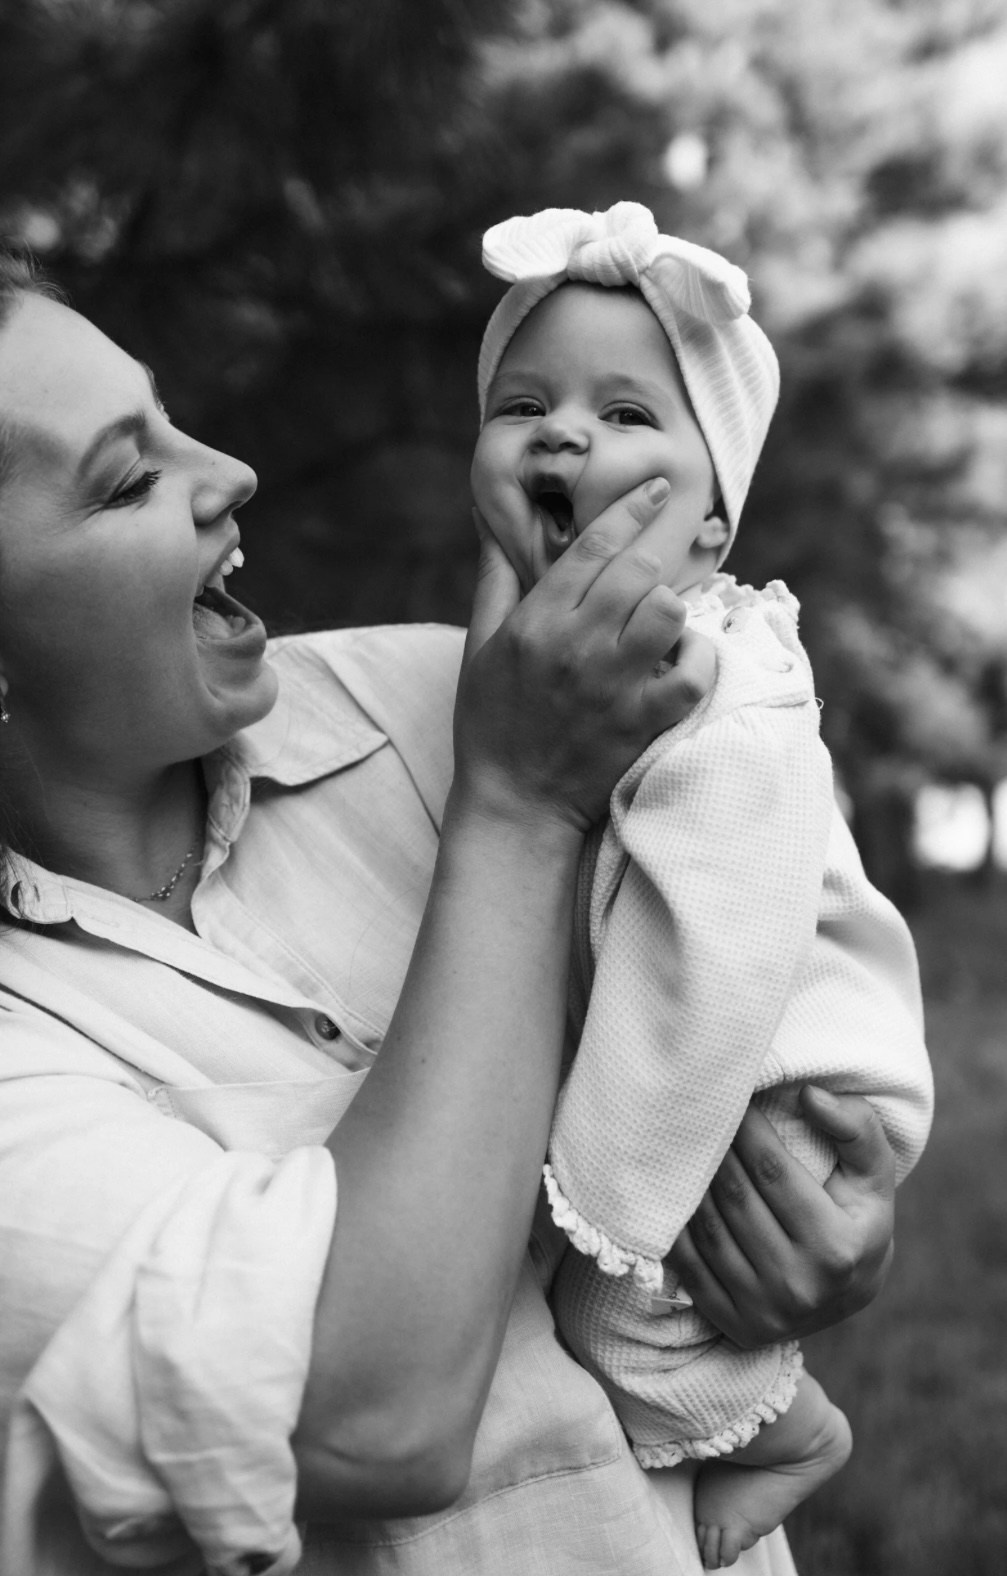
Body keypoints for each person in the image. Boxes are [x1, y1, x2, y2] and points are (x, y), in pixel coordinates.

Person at [0, 249, 897, 1576]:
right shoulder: (510, 750)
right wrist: (517, 808)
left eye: (175, 416)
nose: (230, 471)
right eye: (130, 476)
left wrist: (822, 1208)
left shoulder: (431, 702)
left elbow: (749, 911)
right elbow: (374, 1415)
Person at [470, 202, 934, 1570]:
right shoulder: (603, 681)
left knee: (611, 1321)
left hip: (779, 1067)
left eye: (626, 414)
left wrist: (598, 1198)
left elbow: (709, 967)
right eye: (521, 406)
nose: (565, 436)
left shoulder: (715, 705)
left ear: (715, 526)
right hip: (714, 1058)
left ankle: (783, 1430)